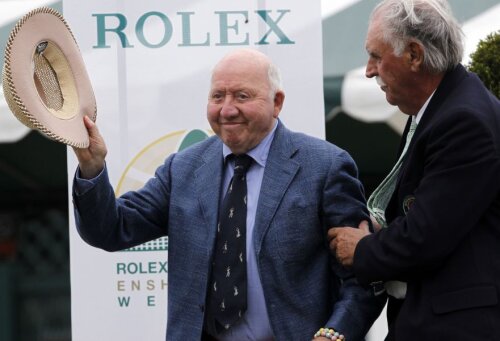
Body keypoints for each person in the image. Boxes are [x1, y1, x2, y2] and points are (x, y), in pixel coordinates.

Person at [72, 48, 384, 340]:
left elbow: (364, 276)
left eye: (242, 96)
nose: (227, 109)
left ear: (277, 102)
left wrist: (334, 334)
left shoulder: (325, 167)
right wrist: (92, 167)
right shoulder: (183, 169)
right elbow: (111, 230)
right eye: (217, 96)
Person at [328, 0, 500, 340]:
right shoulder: (443, 108)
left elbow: (424, 238)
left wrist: (360, 248)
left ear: (414, 55)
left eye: (376, 56)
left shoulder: (463, 120)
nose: (368, 70)